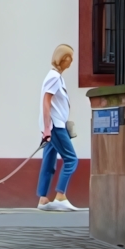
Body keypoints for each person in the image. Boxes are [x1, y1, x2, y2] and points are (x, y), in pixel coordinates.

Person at [37, 43, 83, 212]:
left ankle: (43, 199)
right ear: (63, 59)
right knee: (71, 160)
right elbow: (46, 101)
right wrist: (48, 129)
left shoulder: (55, 76)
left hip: (54, 125)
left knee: (49, 160)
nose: (71, 61)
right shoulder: (54, 77)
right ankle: (60, 196)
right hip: (55, 126)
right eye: (70, 57)